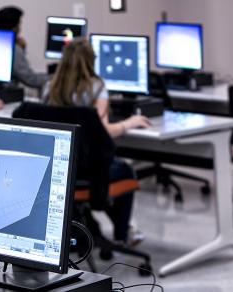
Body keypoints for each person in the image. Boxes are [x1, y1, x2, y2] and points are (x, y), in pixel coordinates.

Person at [43, 39, 150, 245]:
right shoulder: (96, 87)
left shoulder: (50, 88)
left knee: (105, 173)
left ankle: (90, 226)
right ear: (91, 61)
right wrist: (130, 123)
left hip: (59, 171)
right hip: (89, 172)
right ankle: (123, 234)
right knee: (125, 170)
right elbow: (105, 131)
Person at [0, 6, 50, 91]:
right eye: (19, 24)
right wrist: (57, 77)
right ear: (15, 28)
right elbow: (32, 80)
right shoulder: (14, 50)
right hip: (6, 96)